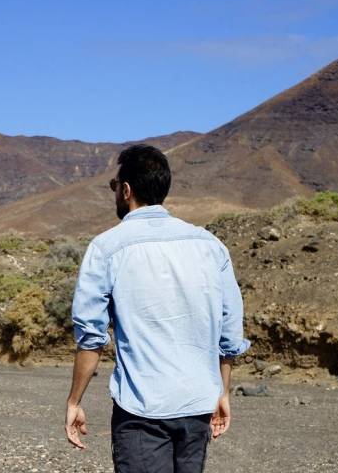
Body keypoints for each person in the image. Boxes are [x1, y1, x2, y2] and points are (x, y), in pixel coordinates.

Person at [64, 144, 250, 472]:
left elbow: (91, 337)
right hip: (196, 406)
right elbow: (230, 331)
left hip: (141, 411)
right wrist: (223, 392)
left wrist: (75, 401)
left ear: (125, 190)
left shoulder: (106, 248)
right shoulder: (210, 245)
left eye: (114, 187)